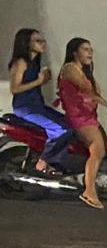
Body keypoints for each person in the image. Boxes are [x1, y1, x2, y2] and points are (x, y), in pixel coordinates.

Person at [57, 38, 107, 209]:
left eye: (91, 49)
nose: (90, 53)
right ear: (74, 52)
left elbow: (93, 94)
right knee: (97, 150)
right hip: (79, 118)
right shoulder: (70, 68)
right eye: (85, 49)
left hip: (89, 116)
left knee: (104, 147)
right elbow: (87, 90)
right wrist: (106, 103)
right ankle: (89, 191)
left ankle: (85, 176)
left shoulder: (85, 71)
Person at [7, 28, 72, 173]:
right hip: (25, 108)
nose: (43, 43)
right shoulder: (21, 62)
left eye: (42, 40)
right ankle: (44, 161)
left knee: (69, 124)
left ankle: (59, 163)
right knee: (60, 129)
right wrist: (39, 81)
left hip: (37, 105)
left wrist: (44, 80)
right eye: (37, 41)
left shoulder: (35, 62)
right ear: (27, 43)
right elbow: (15, 88)